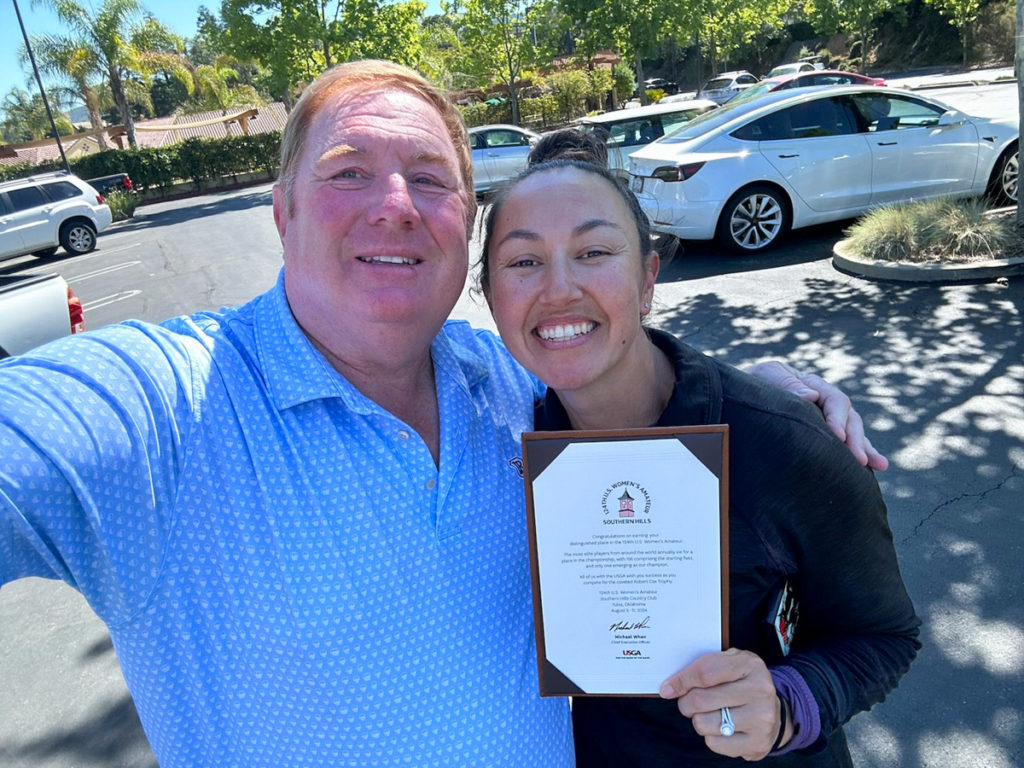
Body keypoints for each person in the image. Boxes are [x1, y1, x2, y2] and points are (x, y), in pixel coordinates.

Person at [0, 62, 880, 767]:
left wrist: (755, 392)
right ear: (283, 212)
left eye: (430, 178)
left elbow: (602, 338)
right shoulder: (163, 410)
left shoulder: (507, 384)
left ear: (461, 230)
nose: (394, 203)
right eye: (349, 172)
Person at [479, 130, 919, 766]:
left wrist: (787, 702)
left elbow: (885, 635)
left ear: (648, 276)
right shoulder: (508, 440)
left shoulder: (779, 444)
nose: (558, 290)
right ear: (490, 295)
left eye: (594, 251)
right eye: (523, 262)